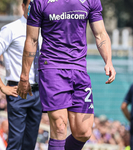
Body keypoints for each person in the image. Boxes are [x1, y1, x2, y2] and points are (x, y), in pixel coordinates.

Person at [17, 0, 116, 149]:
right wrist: (24, 76)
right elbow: (32, 39)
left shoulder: (90, 1)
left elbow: (100, 34)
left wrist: (108, 61)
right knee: (59, 126)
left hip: (79, 69)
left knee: (83, 132)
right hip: (52, 68)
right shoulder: (39, 2)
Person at [0, 0, 42, 149]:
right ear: (23, 6)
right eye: (30, 3)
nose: (34, 7)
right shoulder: (11, 29)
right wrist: (2, 87)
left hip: (39, 91)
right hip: (18, 90)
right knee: (16, 141)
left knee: (30, 142)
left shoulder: (45, 29)